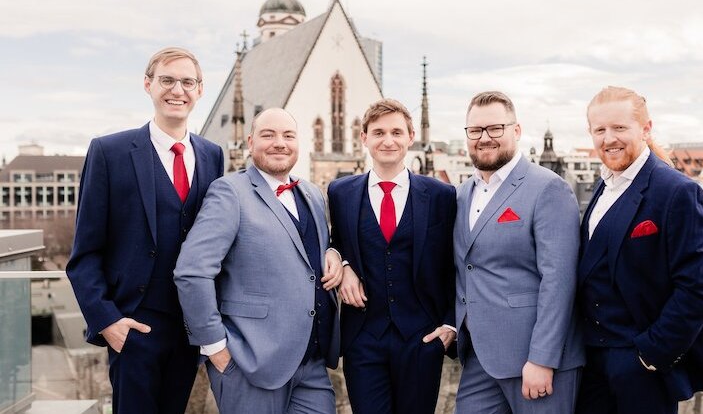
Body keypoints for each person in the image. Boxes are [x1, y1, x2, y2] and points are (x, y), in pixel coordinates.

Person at [67, 47, 224, 413]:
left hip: (190, 329)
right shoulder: (110, 152)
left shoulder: (212, 155)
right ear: (148, 85)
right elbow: (85, 254)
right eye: (167, 80)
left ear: (200, 90)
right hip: (132, 327)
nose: (177, 90)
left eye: (187, 82)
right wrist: (108, 322)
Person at [575, 86, 703, 414]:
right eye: (600, 130)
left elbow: (700, 290)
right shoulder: (604, 186)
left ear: (646, 129)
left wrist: (650, 355)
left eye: (620, 128)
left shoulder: (678, 191)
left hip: (639, 365)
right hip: (591, 362)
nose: (609, 139)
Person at [173, 108, 343, 413]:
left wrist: (334, 254)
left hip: (312, 365)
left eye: (288, 135)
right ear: (251, 142)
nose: (280, 143)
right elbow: (192, 272)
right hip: (249, 365)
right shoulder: (230, 192)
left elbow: (311, 252)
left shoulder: (313, 194)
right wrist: (215, 347)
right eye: (268, 135)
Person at [453, 91, 584, 413]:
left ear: (516, 130)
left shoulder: (548, 188)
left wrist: (542, 358)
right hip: (479, 357)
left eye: (495, 128)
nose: (485, 138)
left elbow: (560, 280)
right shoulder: (460, 195)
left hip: (535, 359)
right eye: (475, 131)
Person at [329, 98, 457, 413]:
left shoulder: (441, 195)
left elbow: (455, 262)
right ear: (364, 138)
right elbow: (333, 242)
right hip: (362, 340)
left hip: (422, 339)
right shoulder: (340, 192)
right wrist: (343, 264)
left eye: (397, 132)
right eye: (379, 132)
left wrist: (451, 325)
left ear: (410, 137)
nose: (388, 140)